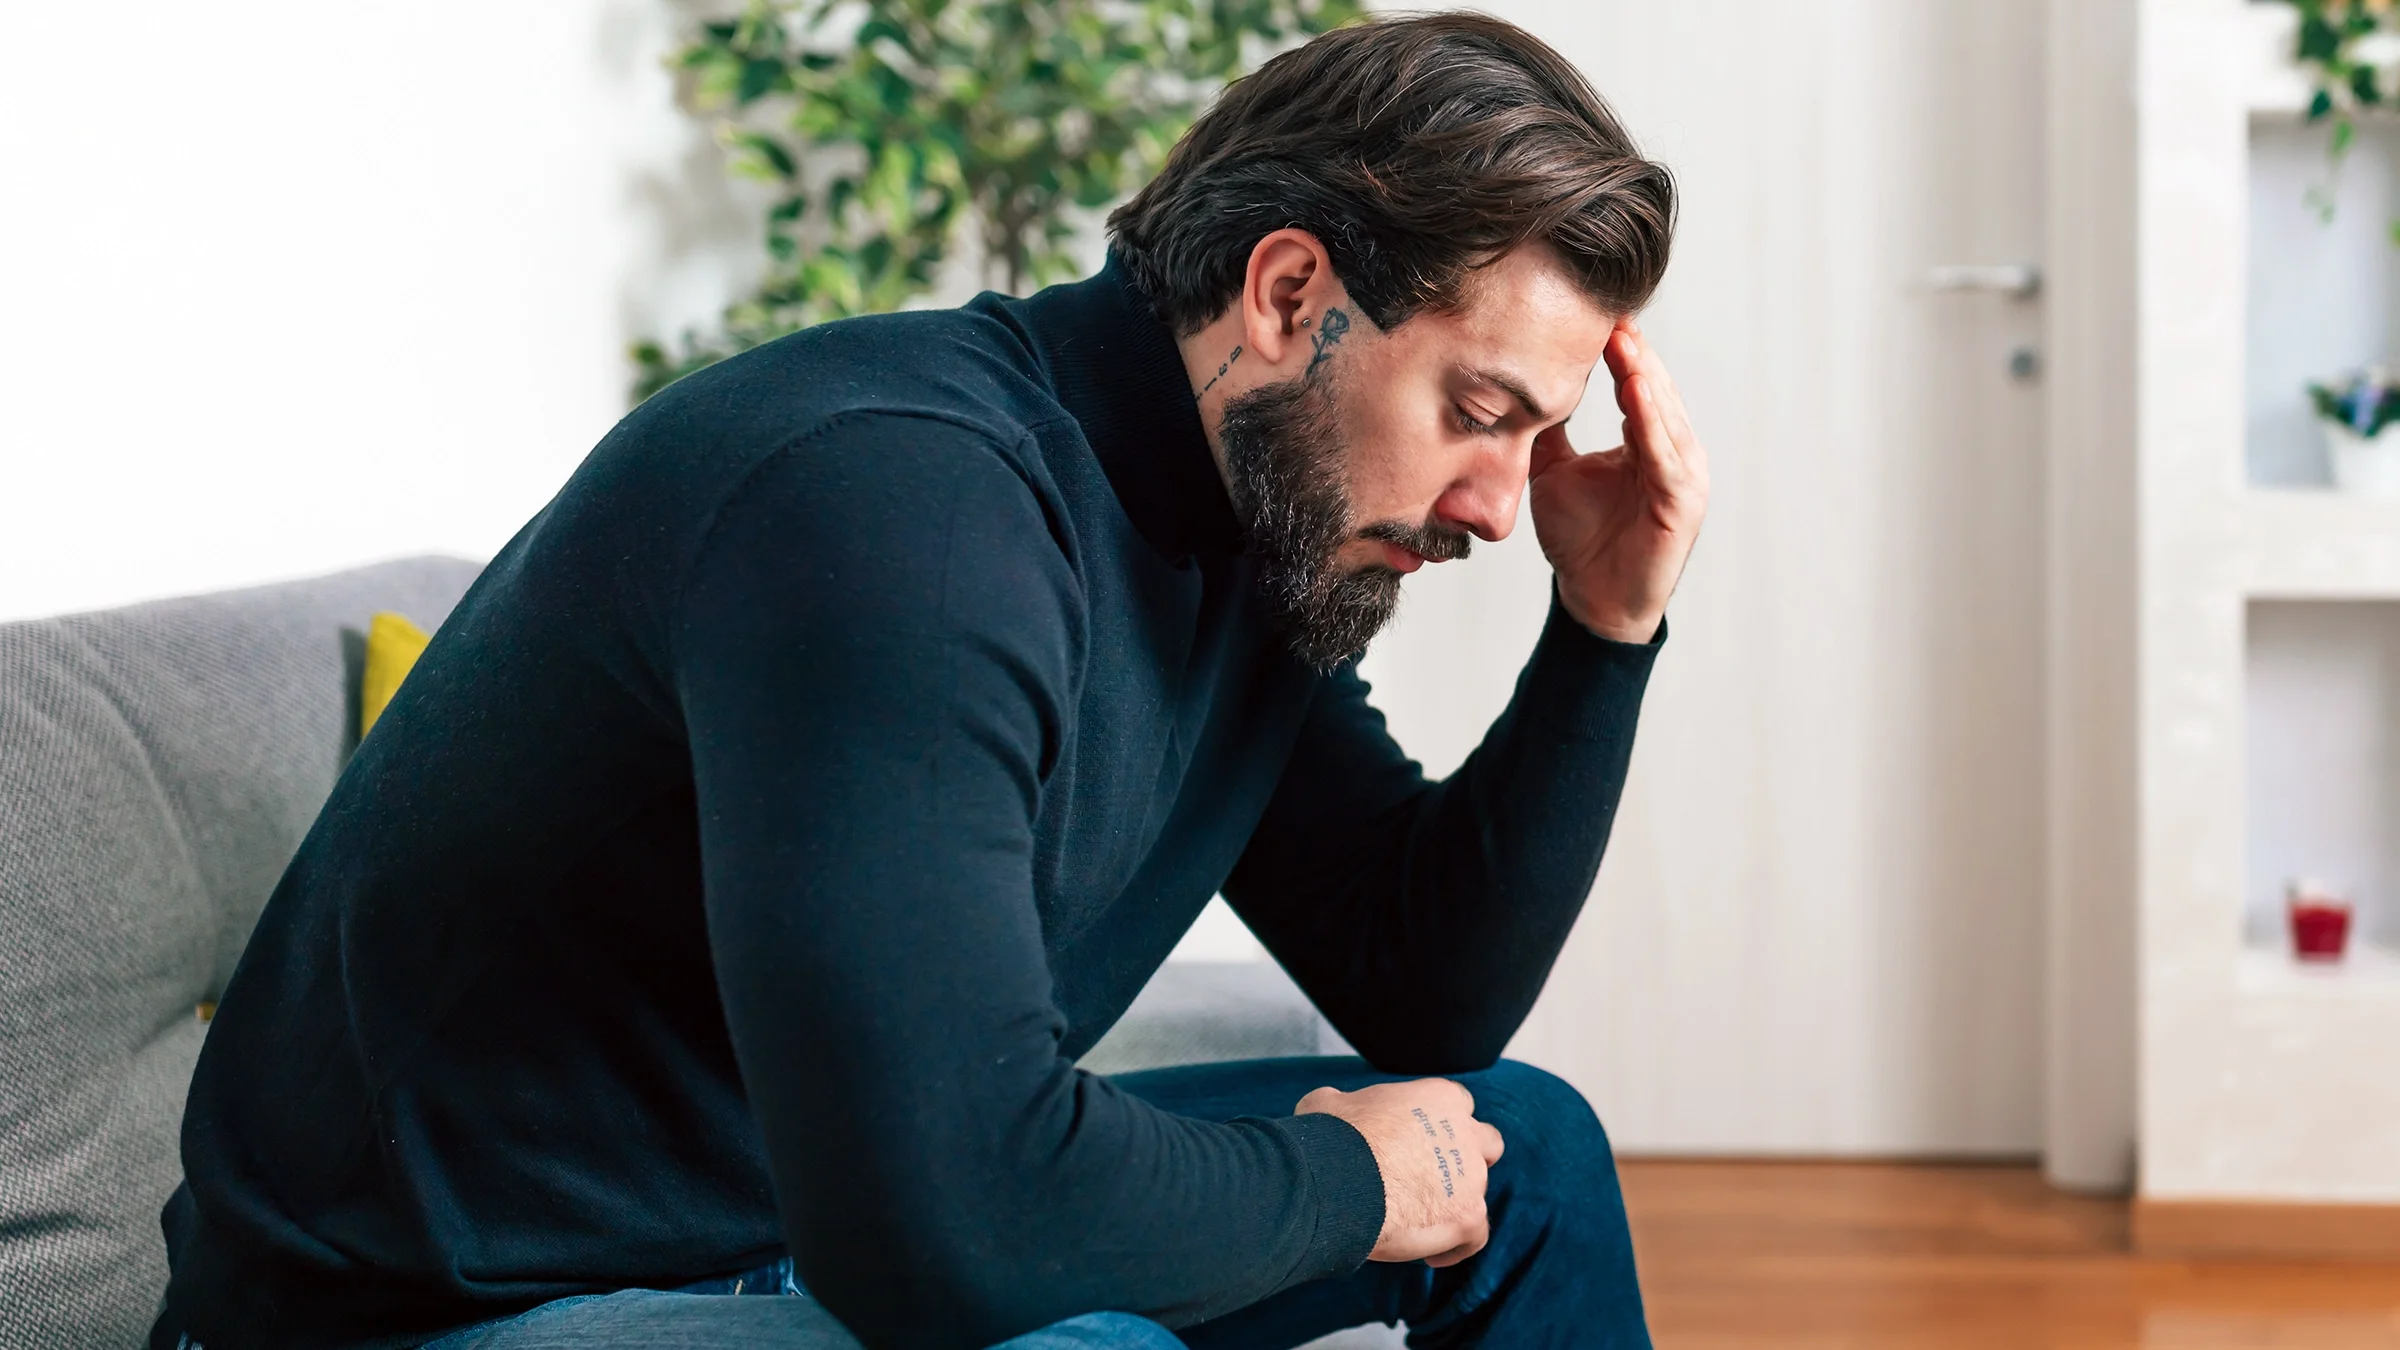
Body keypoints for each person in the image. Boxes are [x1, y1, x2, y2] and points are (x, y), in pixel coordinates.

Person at [153, 12, 1701, 1350]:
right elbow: (952, 1227)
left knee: (1524, 1151)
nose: (1501, 502)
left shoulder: (1244, 521)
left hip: (791, 1230)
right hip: (439, 1310)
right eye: (1480, 408)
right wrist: (1355, 1182)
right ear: (1290, 296)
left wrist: (1605, 624)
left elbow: (1419, 986)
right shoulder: (900, 511)